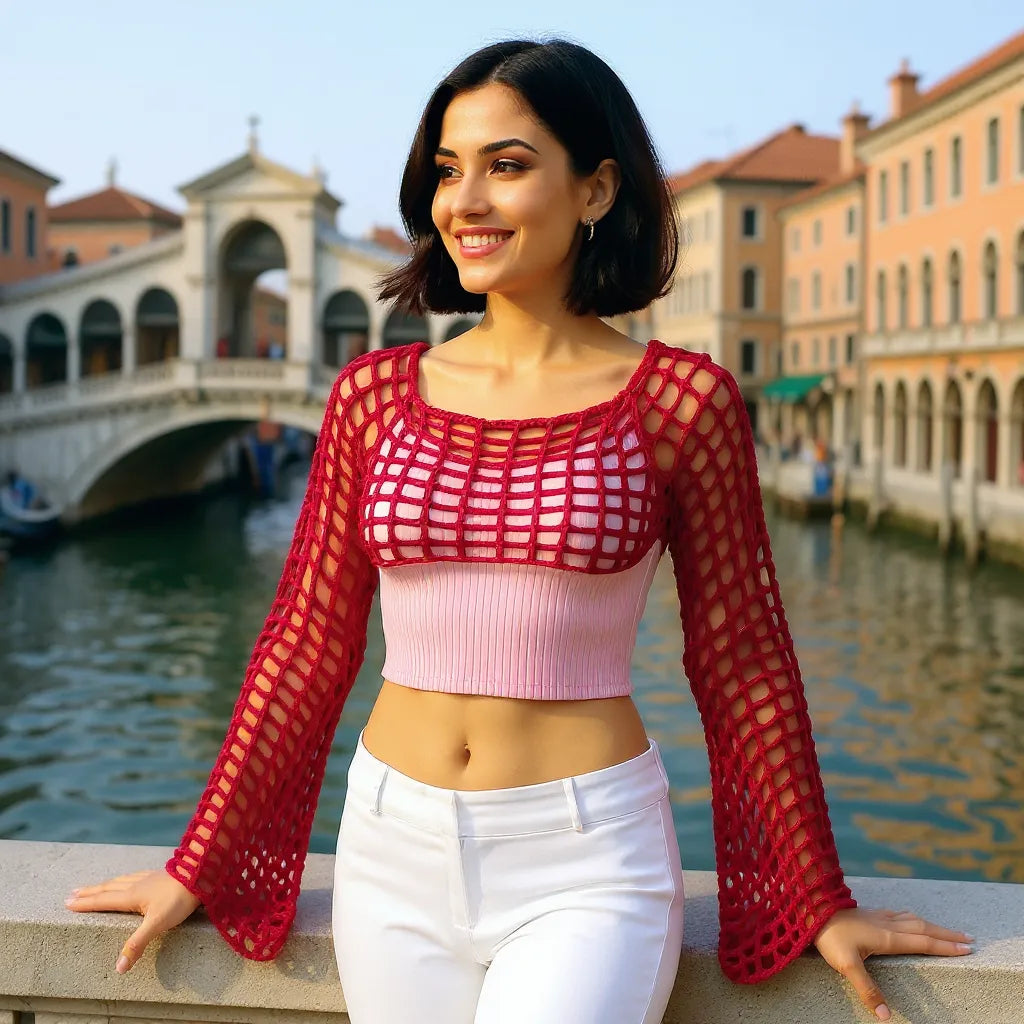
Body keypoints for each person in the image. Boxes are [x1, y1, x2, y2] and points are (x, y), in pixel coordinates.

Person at [64, 39, 972, 1024]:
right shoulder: (373, 395)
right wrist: (202, 858)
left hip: (586, 859)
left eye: (506, 165)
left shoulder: (680, 401)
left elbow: (741, 657)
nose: (464, 201)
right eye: (448, 171)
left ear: (595, 189)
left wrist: (810, 890)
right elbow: (305, 642)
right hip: (386, 842)